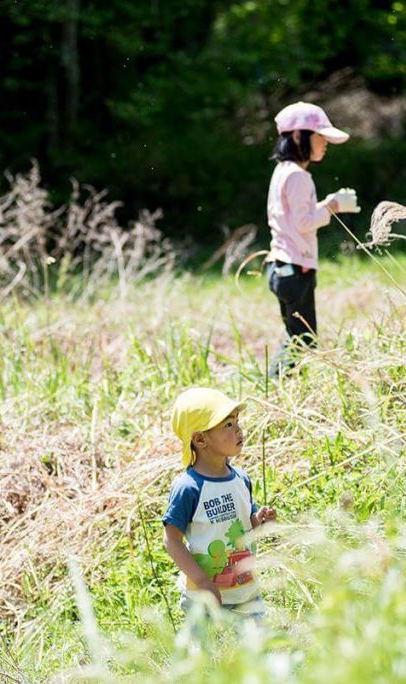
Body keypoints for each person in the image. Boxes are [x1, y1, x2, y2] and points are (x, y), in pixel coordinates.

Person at [163, 387, 276, 625]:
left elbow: (246, 526)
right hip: (204, 599)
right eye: (227, 424)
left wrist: (260, 521)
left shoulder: (241, 479)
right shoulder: (189, 487)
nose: (238, 429)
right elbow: (172, 540)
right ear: (200, 439)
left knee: (255, 656)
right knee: (207, 659)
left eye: (237, 421)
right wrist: (202, 582)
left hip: (246, 593)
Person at [266, 102, 360, 377]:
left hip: (281, 266)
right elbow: (304, 222)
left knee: (295, 334)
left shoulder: (282, 171)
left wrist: (327, 204)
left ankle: (280, 386)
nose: (325, 143)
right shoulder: (299, 176)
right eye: (320, 137)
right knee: (303, 340)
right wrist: (332, 206)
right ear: (298, 137)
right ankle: (277, 388)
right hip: (296, 269)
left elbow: (293, 217)